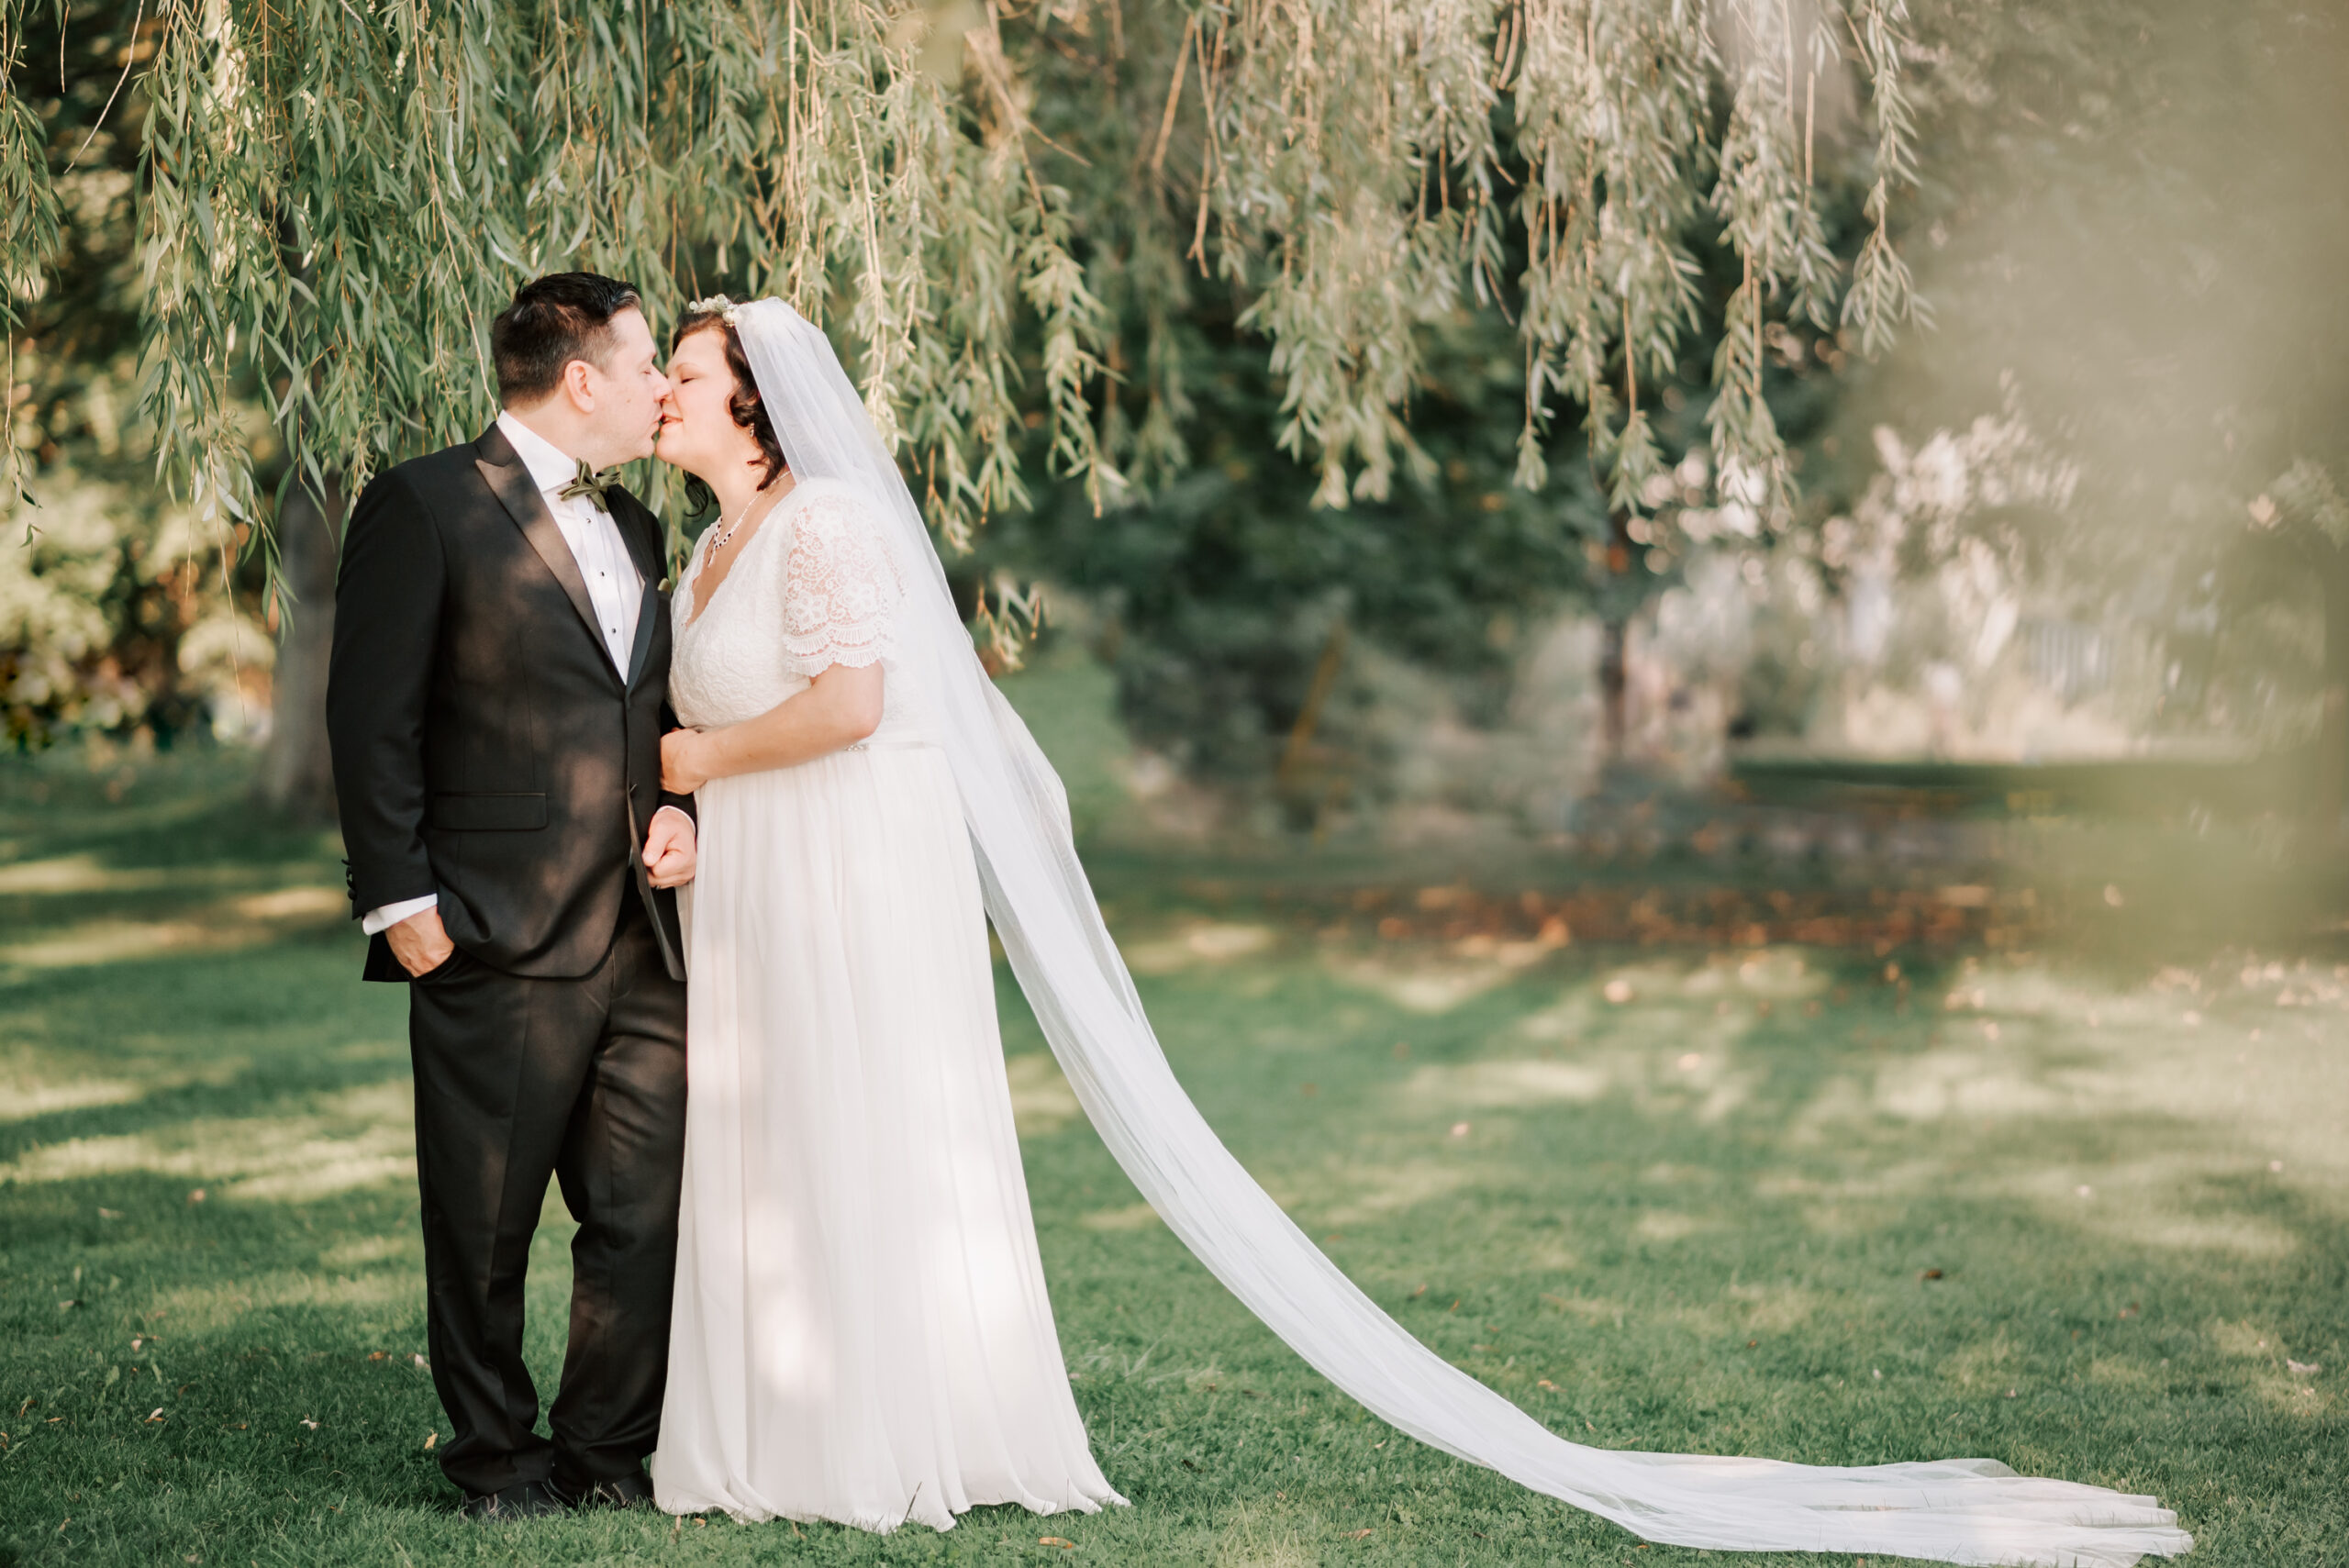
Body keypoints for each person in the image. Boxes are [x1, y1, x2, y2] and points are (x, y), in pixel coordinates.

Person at [645, 294, 2191, 1566]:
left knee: (855, 1126)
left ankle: (874, 1427)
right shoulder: (703, 549)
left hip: (845, 871)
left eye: (688, 376)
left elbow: (854, 706)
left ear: (757, 406)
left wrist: (702, 762)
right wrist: (694, 804)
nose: (665, 395)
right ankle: (772, 1415)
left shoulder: (829, 522)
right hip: (763, 874)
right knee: (778, 1136)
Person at [326, 272, 699, 1520]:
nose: (663, 388)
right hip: (487, 924)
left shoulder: (640, 528)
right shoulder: (424, 504)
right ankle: (494, 1456)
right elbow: (371, 717)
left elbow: (649, 710)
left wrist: (680, 813)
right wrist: (399, 899)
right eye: (649, 365)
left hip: (642, 935)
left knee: (640, 1214)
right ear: (581, 378)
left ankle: (607, 1449)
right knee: (484, 1224)